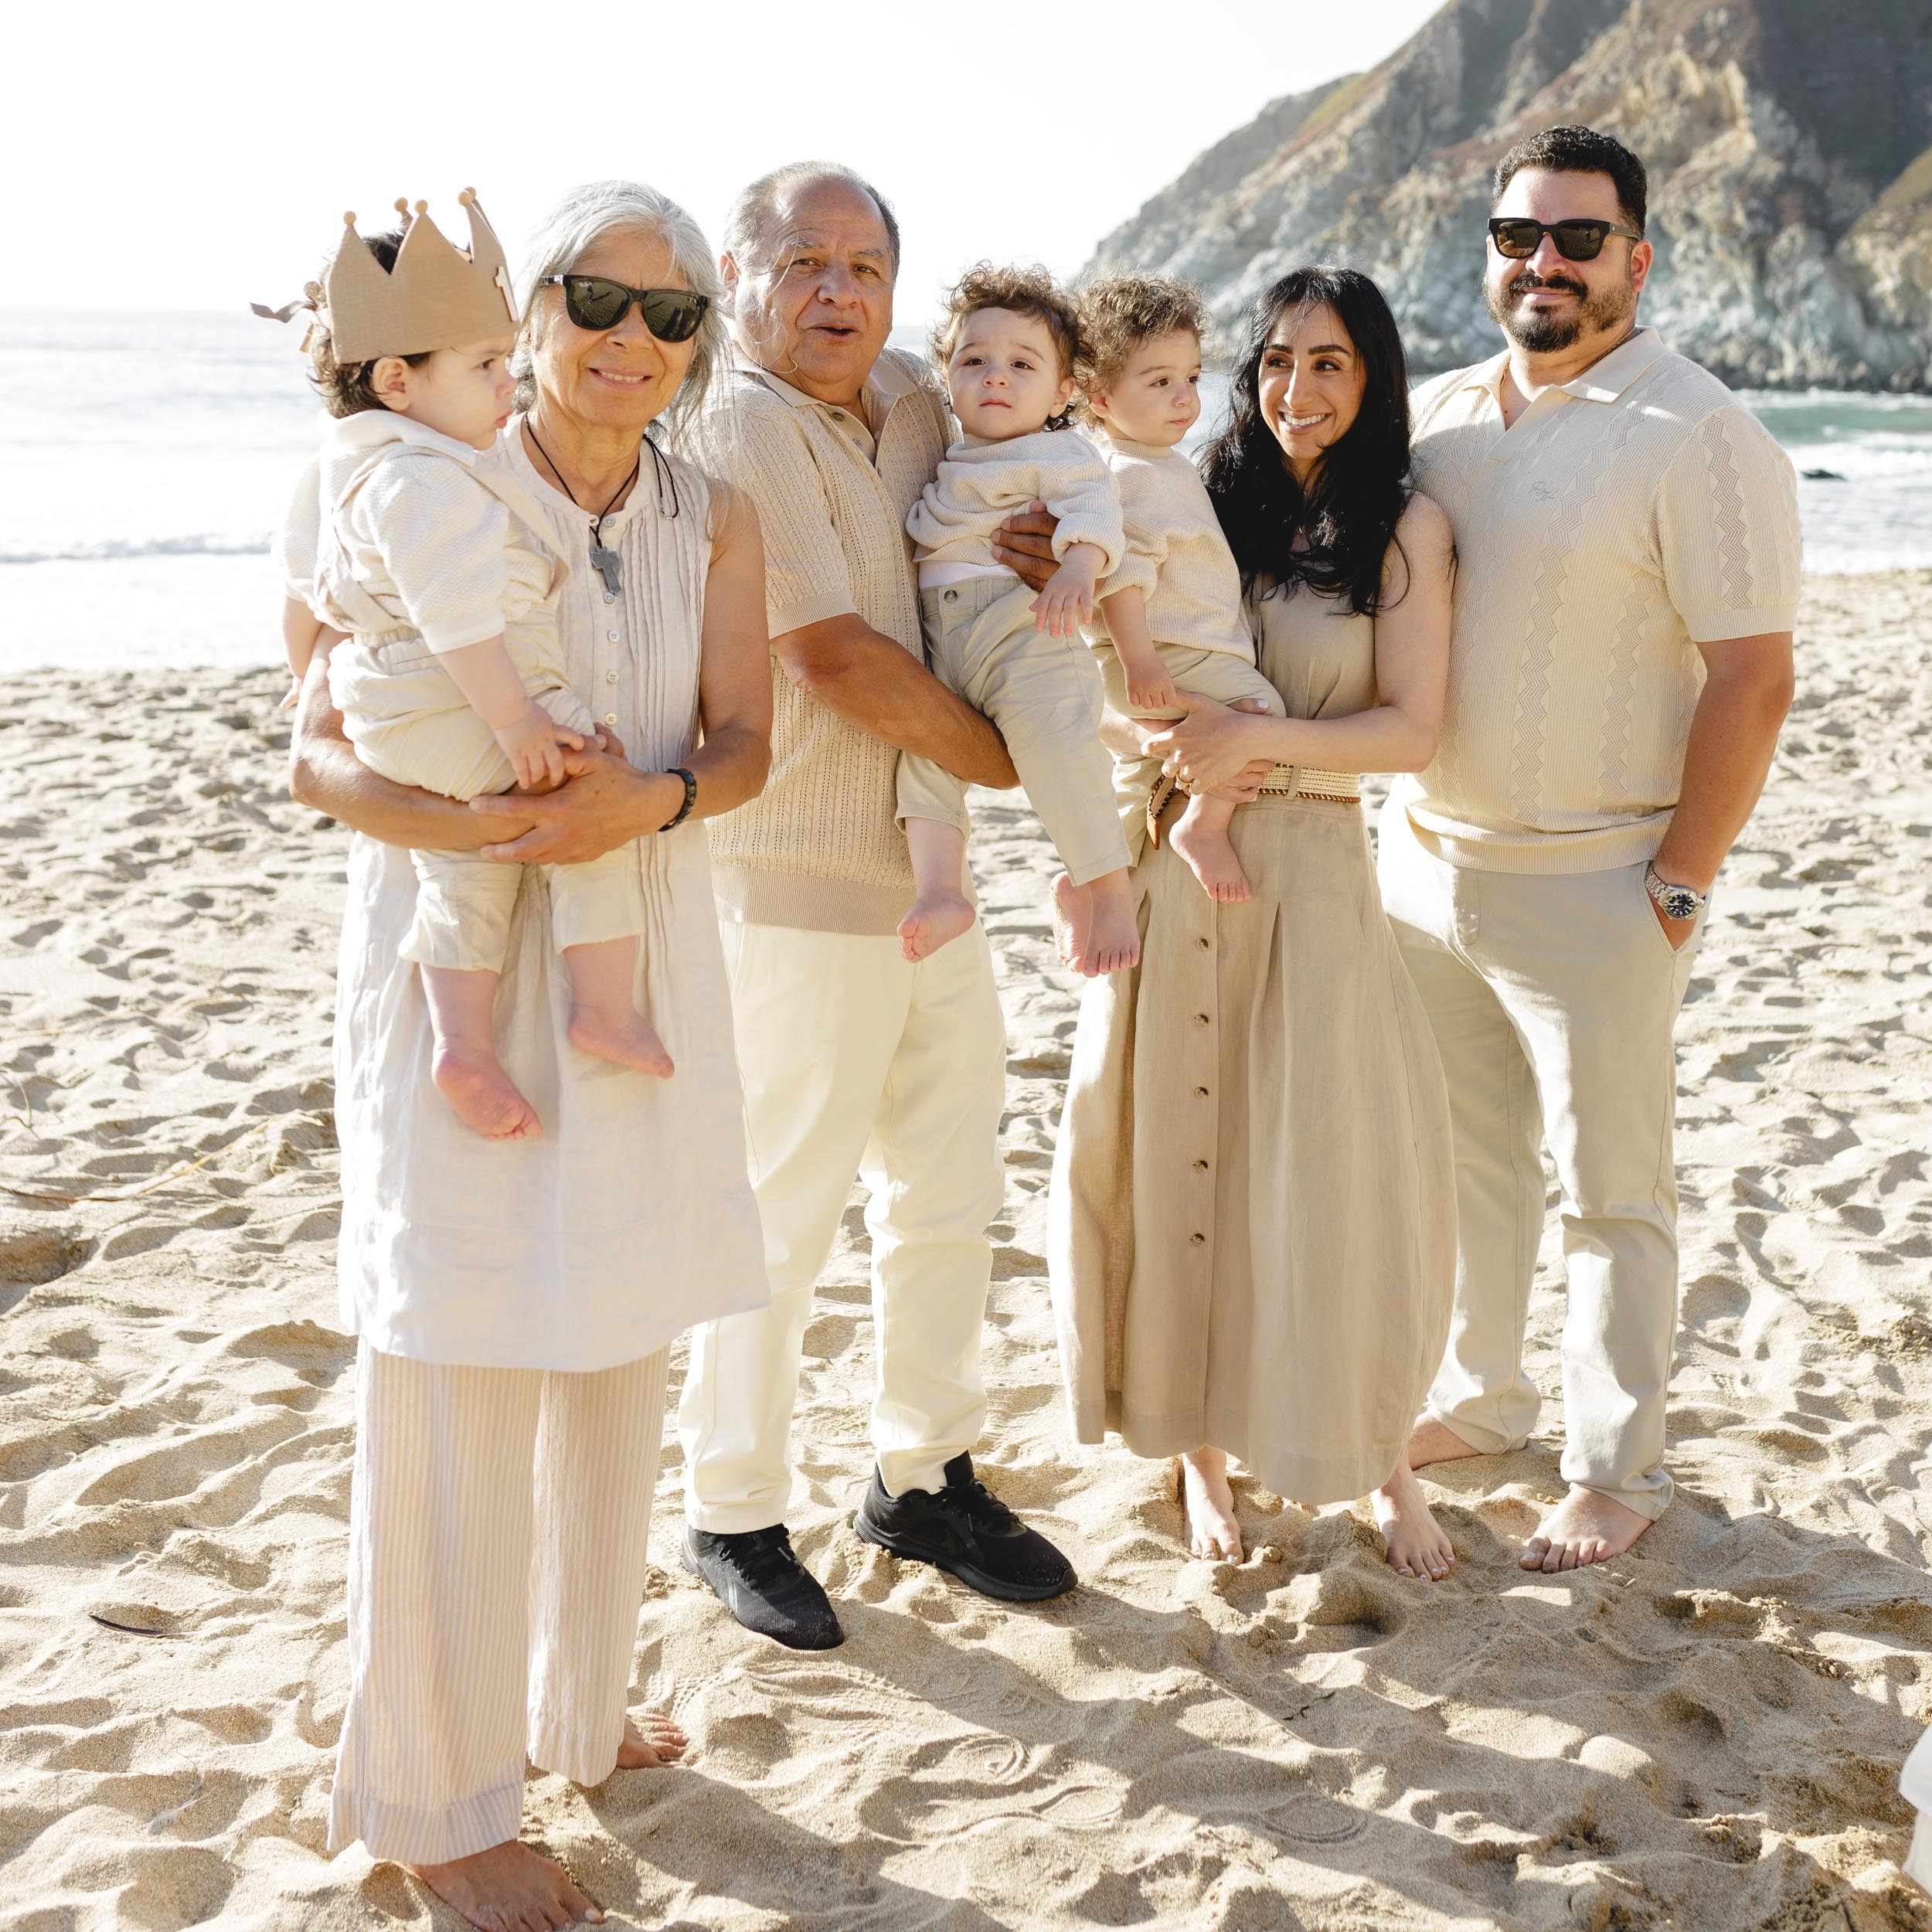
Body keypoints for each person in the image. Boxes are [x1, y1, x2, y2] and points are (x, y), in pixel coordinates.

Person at [286, 179, 773, 1932]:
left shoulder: (717, 512)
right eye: (596, 298)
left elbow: (745, 748)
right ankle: (434, 1799)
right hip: (462, 968)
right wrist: (499, 829)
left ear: (701, 344)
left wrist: (635, 808)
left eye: (672, 316)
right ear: (534, 310)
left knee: (616, 1346)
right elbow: (313, 757)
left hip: (635, 952)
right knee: (457, 1366)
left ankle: (577, 1710)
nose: (630, 341)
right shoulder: (410, 481)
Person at [1381, 124, 1801, 1571]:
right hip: (1426, 864)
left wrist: (1681, 878)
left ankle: (1615, 1468)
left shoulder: (1702, 434)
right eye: (1517, 237)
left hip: (1600, 882)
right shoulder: (1433, 415)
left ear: (1636, 255)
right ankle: (1484, 1397)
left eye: (1575, 237)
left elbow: (1755, 676)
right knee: (1466, 1164)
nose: (1543, 262)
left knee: (1612, 1189)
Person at [679, 162, 1075, 1651]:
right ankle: (730, 1505)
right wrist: (1021, 758)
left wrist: (1028, 536)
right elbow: (834, 653)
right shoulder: (737, 425)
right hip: (789, 883)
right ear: (739, 273)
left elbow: (1011, 450)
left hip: (928, 877)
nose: (836, 293)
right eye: (804, 263)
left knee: (947, 1190)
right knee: (779, 1214)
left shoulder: (911, 398)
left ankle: (922, 1475)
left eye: (864, 267)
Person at [1049, 266, 1462, 1583]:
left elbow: (1411, 729)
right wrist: (1175, 743)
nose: (1297, 387)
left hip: (1320, 870)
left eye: (1330, 363)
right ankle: (1199, 1458)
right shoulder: (1190, 492)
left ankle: (1379, 1453)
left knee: (1329, 1171)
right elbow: (1104, 685)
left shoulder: (1408, 530)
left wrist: (1258, 743)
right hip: (1181, 864)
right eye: (1278, 359)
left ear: (1374, 378)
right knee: (1185, 1150)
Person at [276, 192, 671, 1151]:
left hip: (400, 707)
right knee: (584, 805)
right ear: (399, 382)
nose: (512, 379)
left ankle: (461, 1044)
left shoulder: (346, 467)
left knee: (463, 865)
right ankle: (603, 1005)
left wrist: (309, 681)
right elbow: (459, 620)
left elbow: (305, 594)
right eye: (487, 364)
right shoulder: (424, 479)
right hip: (458, 696)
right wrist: (522, 725)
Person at [896, 264, 1137, 975]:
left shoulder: (1060, 452)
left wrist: (1075, 569)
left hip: (1024, 633)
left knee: (1063, 753)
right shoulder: (948, 456)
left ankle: (1107, 890)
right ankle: (943, 890)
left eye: (1022, 364)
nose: (995, 376)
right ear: (947, 378)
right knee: (923, 757)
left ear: (1065, 393)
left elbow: (1098, 514)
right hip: (945, 645)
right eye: (974, 361)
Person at [1075, 271, 1286, 901]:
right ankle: (1204, 824)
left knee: (1139, 771)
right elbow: (1121, 572)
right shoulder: (1131, 473)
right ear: (1099, 396)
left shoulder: (1148, 463)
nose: (1184, 398)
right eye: (1159, 381)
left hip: (1158, 655)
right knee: (1262, 716)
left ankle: (1092, 881)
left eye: (1192, 379)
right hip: (1167, 654)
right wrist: (1139, 661)